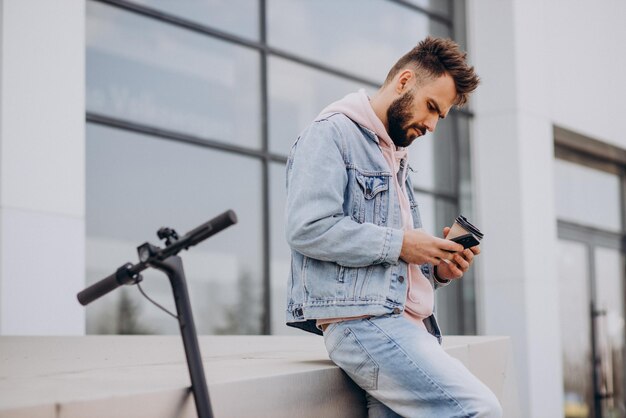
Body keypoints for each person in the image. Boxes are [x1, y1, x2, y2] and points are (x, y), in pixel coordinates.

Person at [284, 37, 502, 417]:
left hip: (407, 328)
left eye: (440, 116)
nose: (433, 124)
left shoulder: (395, 156)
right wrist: (402, 243)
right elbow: (307, 228)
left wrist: (437, 267)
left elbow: (392, 260)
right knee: (479, 409)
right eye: (431, 107)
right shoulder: (331, 133)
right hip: (367, 325)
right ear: (404, 81)